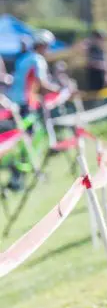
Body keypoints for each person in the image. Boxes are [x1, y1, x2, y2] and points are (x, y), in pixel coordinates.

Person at [7, 30, 65, 191]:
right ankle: (18, 179)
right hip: (25, 104)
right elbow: (42, 83)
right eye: (48, 46)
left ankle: (20, 177)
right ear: (43, 45)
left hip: (16, 104)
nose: (49, 49)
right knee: (27, 141)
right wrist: (59, 90)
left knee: (23, 141)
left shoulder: (23, 58)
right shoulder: (38, 60)